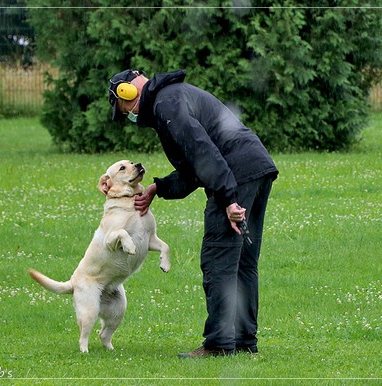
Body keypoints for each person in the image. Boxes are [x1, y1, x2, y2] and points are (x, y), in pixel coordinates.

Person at [108, 69, 278, 358]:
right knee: (243, 262)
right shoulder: (171, 98)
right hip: (256, 167)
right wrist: (158, 188)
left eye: (122, 107)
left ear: (127, 92)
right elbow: (194, 168)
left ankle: (219, 344)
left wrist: (227, 198)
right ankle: (244, 341)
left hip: (234, 174)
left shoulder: (166, 103)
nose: (126, 114)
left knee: (219, 258)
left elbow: (202, 152)